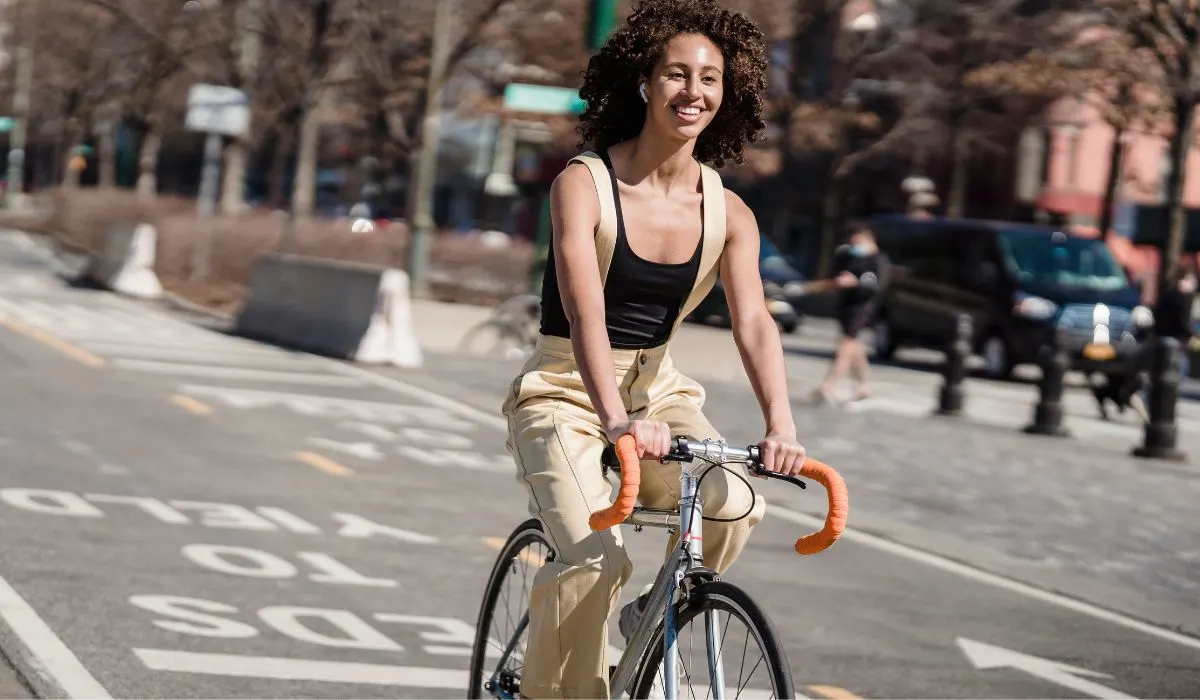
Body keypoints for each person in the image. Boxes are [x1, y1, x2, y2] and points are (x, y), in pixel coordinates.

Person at [499, 1, 807, 696]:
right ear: (646, 82)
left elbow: (754, 321)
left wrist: (781, 426)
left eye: (709, 78)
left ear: (727, 94)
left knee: (735, 502)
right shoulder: (584, 184)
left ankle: (655, 612)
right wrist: (614, 421)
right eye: (676, 74)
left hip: (659, 392)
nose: (692, 91)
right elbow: (584, 315)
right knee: (593, 560)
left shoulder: (730, 213)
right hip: (566, 391)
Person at [812, 221, 890, 404]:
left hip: (863, 305)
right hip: (846, 303)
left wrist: (856, 282)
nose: (855, 246)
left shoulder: (878, 260)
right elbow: (836, 274)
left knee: (846, 343)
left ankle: (830, 384)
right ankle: (863, 386)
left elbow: (878, 284)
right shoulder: (847, 255)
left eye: (858, 242)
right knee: (854, 345)